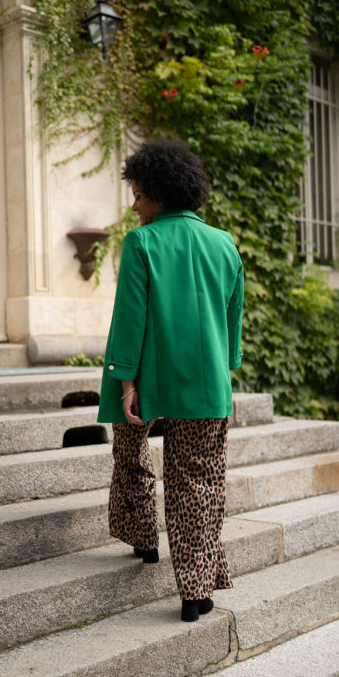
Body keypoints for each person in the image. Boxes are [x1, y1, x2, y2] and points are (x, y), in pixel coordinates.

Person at [97, 137, 244, 622]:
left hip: (146, 379)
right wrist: (227, 364)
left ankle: (144, 540)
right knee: (198, 483)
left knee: (130, 453)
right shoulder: (225, 243)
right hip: (207, 383)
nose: (134, 204)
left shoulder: (142, 241)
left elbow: (129, 318)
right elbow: (231, 320)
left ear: (159, 193)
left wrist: (124, 380)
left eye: (138, 194)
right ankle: (196, 592)